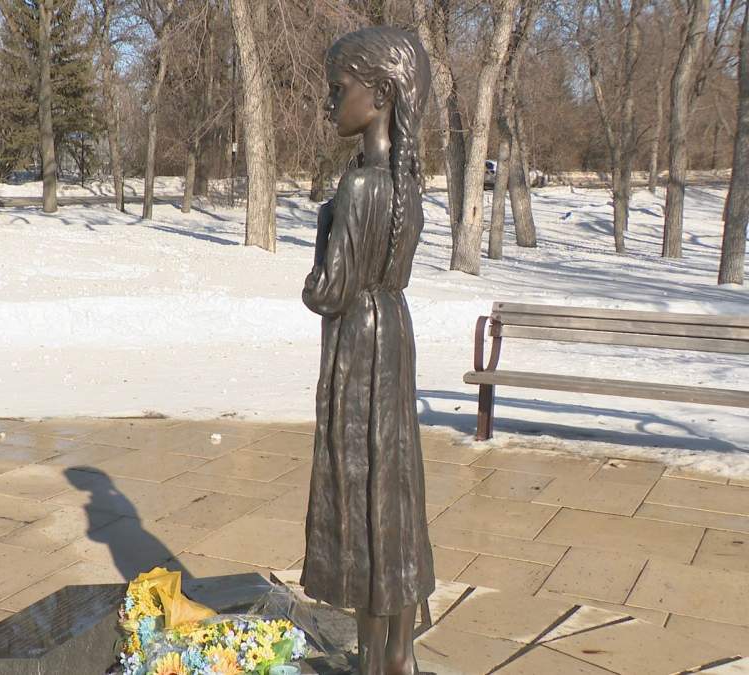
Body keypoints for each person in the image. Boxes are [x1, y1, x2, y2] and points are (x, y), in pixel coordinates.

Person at [300, 26, 435, 675]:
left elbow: (326, 293)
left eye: (338, 89)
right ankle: (398, 655)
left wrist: (324, 229)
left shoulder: (357, 191)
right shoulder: (403, 181)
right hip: (395, 334)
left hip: (360, 344)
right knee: (396, 497)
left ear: (379, 93)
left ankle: (373, 659)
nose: (329, 103)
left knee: (362, 494)